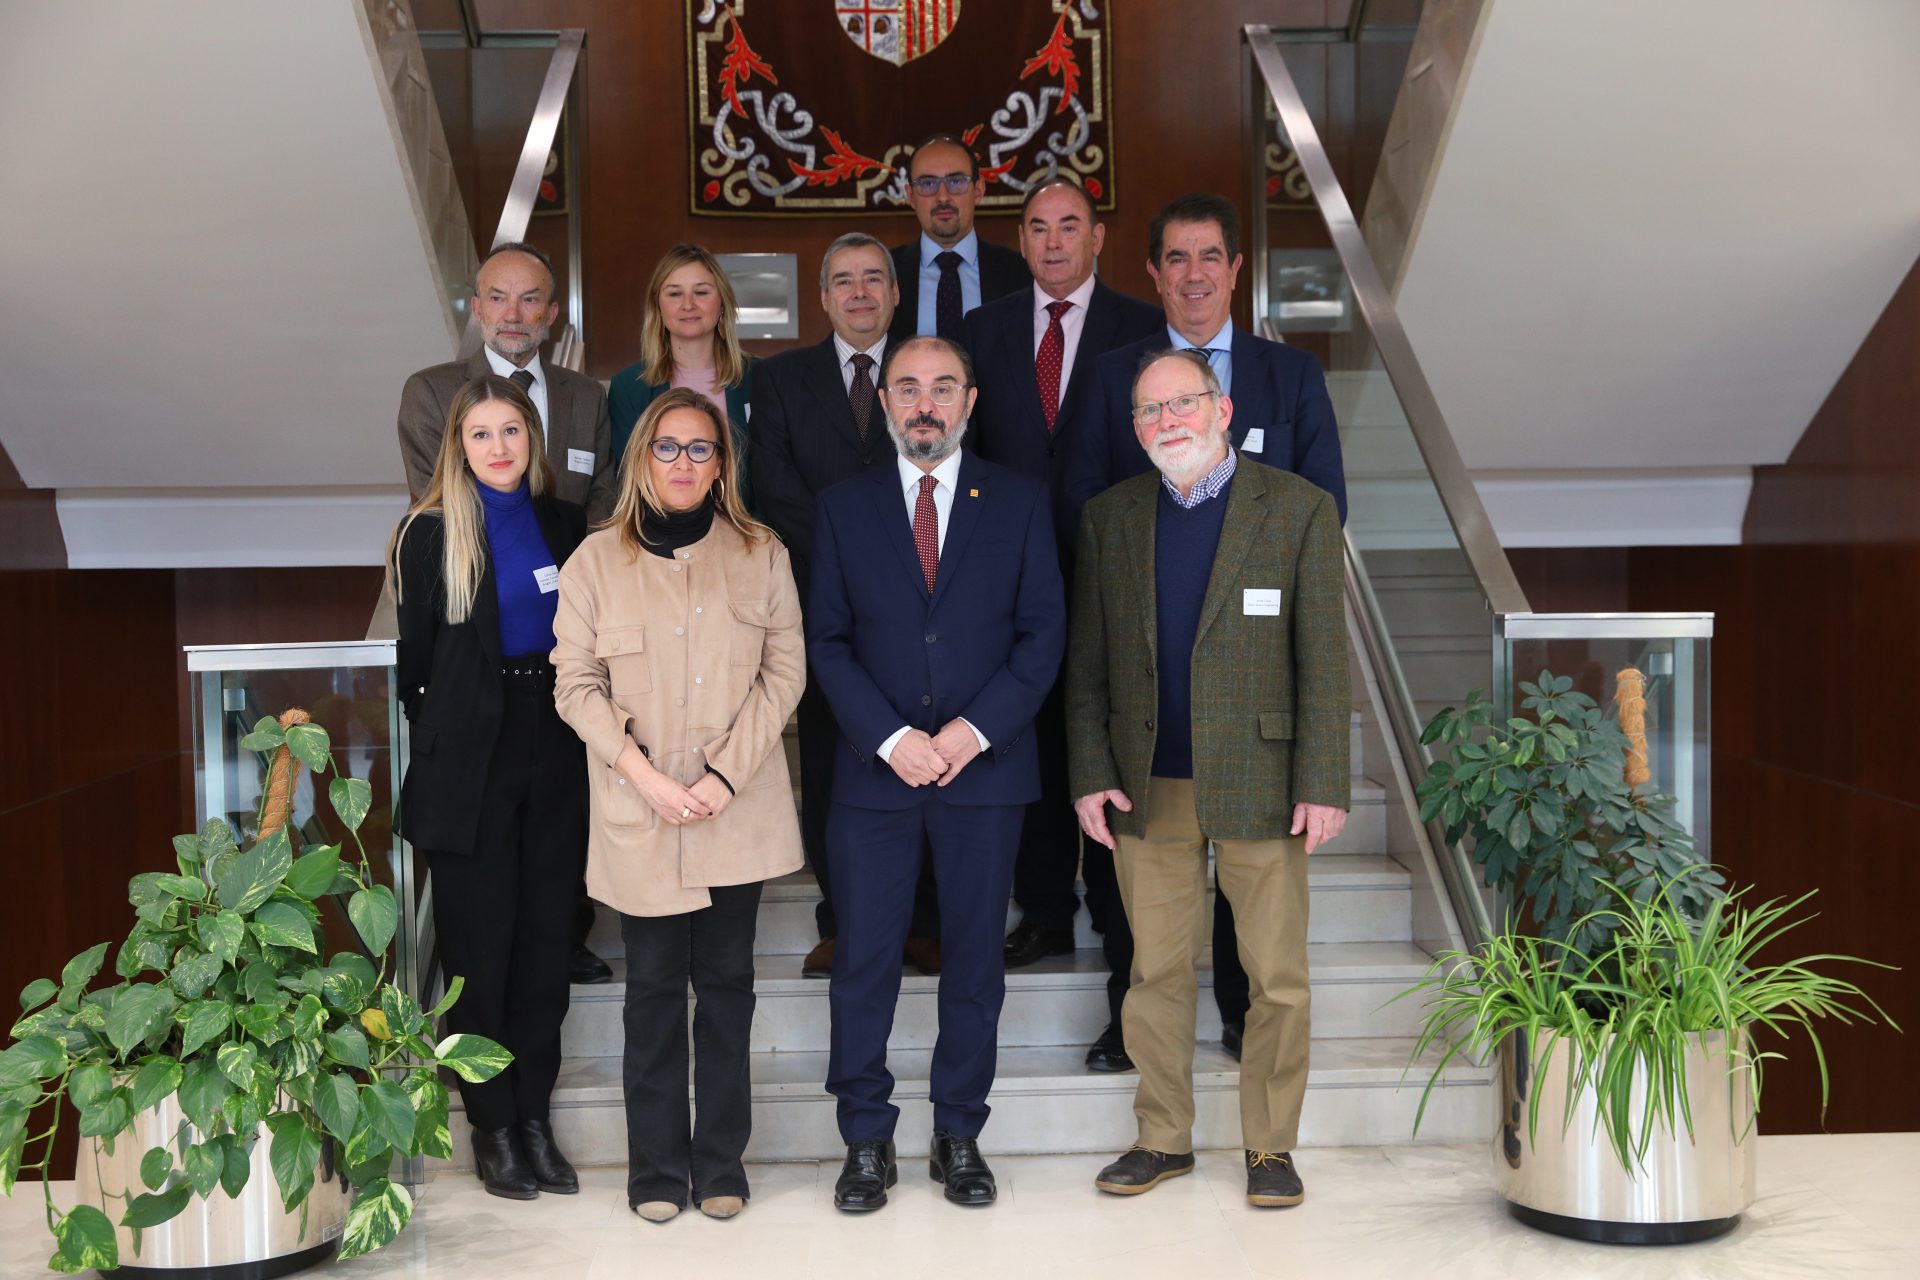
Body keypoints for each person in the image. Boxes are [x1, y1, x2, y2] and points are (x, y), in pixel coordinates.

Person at [1062, 193, 1351, 1065]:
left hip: (1255, 709)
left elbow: (1323, 525)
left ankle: (1254, 1085)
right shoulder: (1115, 377)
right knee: (1151, 953)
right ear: (1153, 272)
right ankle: (1154, 1100)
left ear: (1234, 268)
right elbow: (1087, 526)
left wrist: (1325, 770)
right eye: (1176, 258)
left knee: (1269, 963)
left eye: (1209, 257)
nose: (1193, 274)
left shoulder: (1289, 376)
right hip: (1150, 726)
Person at [1067, 349, 1349, 1208]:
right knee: (1154, 971)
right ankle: (1163, 1138)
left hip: (1264, 778)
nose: (1167, 423)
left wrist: (1325, 779)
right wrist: (1089, 772)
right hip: (1148, 784)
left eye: (1182, 404)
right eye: (1149, 412)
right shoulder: (1110, 518)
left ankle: (1270, 1148)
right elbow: (1088, 665)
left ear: (1221, 408)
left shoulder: (1298, 508)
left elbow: (1324, 662)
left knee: (1275, 978)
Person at [807, 336, 1066, 1213]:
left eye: (942, 387)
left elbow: (1043, 637)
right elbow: (826, 643)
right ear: (883, 401)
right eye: (908, 387)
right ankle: (866, 1140)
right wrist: (890, 738)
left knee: (973, 964)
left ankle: (959, 1133)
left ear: (970, 398)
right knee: (865, 963)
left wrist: (968, 731)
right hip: (874, 778)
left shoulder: (1023, 502)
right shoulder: (842, 508)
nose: (925, 402)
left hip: (984, 776)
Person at [552, 388, 805, 1224]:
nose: (685, 464)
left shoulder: (762, 552)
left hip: (737, 811)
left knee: (728, 991)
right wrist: (647, 776)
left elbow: (784, 675)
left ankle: (720, 1164)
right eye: (668, 448)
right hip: (641, 810)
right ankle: (656, 1171)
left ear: (722, 463)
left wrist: (722, 778)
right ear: (641, 458)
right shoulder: (594, 561)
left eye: (702, 449)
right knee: (653, 992)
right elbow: (576, 684)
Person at [961, 179, 1162, 1060]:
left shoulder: (1141, 330)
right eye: (1037, 228)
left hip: (1116, 581)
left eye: (1068, 226)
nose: (1051, 242)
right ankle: (1043, 907)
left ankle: (1126, 953)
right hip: (1009, 585)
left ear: (1097, 236)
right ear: (1021, 238)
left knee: (1109, 764)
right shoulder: (985, 329)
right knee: (1032, 746)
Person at [387, 375, 588, 1201]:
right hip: (469, 758)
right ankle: (493, 1126)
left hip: (558, 741)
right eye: (481, 434)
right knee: (480, 955)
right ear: (457, 447)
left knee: (546, 947)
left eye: (512, 431)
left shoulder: (566, 524)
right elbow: (418, 668)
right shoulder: (428, 535)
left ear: (531, 439)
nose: (499, 448)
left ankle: (535, 1119)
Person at [397, 239, 615, 987]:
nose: (514, 313)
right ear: (476, 307)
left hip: (563, 678)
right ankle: (492, 1097)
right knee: (484, 919)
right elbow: (418, 656)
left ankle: (570, 940)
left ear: (552, 315)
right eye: (498, 296)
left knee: (552, 879)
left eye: (531, 299)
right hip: (475, 686)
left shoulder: (588, 397)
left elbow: (606, 505)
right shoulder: (432, 393)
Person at [750, 233, 940, 980]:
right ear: (823, 299)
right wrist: (853, 557)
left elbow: (947, 466)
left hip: (928, 601)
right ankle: (843, 920)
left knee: (925, 758)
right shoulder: (781, 379)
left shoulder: (932, 372)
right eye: (843, 282)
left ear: (896, 294)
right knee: (832, 762)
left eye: (873, 280)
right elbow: (775, 487)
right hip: (821, 604)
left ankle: (923, 922)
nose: (860, 293)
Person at [607, 244, 755, 504]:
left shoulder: (762, 378)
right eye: (675, 294)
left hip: (750, 534)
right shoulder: (629, 387)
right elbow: (630, 480)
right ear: (658, 307)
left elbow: (775, 475)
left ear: (722, 302)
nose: (688, 304)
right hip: (660, 536)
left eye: (701, 292)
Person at [887, 133, 1031, 344]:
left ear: (979, 190)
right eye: (927, 183)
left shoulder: (1021, 273)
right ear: (910, 195)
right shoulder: (885, 273)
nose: (943, 197)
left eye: (956, 181)